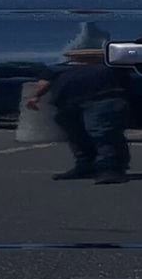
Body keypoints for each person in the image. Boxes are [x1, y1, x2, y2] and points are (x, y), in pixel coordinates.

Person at [38, 22, 131, 183]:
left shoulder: (111, 66)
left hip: (102, 101)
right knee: (76, 135)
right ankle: (86, 165)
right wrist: (34, 97)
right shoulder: (60, 67)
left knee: (103, 133)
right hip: (68, 104)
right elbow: (44, 82)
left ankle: (111, 168)